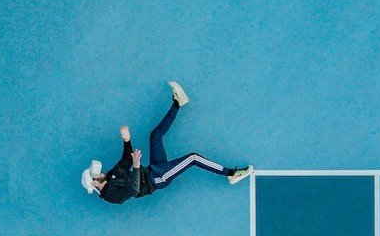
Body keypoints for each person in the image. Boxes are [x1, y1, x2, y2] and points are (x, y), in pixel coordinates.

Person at [81, 81, 253, 204]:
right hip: (158, 178)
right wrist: (137, 166)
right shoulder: (111, 196)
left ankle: (178, 102)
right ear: (94, 183)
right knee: (193, 158)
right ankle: (231, 173)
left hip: (153, 169)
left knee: (155, 136)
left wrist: (126, 140)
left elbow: (126, 160)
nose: (99, 172)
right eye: (95, 174)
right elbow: (133, 190)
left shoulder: (111, 175)